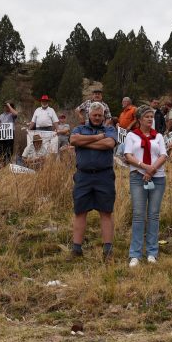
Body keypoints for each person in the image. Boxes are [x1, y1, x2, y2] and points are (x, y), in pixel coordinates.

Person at [69, 102, 118, 260]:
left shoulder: (109, 130)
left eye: (100, 115)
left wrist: (85, 142)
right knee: (80, 212)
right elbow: (73, 140)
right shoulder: (79, 129)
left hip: (104, 176)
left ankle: (108, 251)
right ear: (89, 115)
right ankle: (76, 249)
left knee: (106, 212)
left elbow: (109, 143)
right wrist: (97, 138)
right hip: (83, 176)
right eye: (94, 115)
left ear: (104, 116)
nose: (97, 118)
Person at [123, 105, 167, 267]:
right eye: (147, 116)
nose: (150, 119)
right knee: (138, 214)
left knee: (153, 215)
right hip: (138, 177)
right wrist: (144, 167)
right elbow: (128, 155)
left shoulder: (158, 136)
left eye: (151, 117)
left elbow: (163, 155)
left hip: (157, 178)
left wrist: (152, 169)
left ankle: (152, 252)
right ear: (139, 119)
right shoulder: (131, 136)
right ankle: (135, 254)